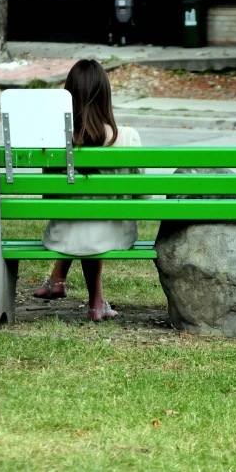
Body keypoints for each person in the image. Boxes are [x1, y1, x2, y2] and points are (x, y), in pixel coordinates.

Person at [32, 59, 144, 322]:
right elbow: (143, 197)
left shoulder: (55, 140)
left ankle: (59, 279)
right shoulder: (127, 137)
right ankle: (94, 302)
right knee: (95, 219)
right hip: (115, 235)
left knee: (81, 216)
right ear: (106, 95)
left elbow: (49, 198)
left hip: (63, 236)